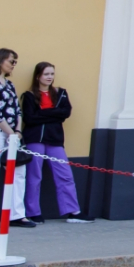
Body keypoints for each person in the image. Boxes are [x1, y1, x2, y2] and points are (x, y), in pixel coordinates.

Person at [19, 62, 90, 224]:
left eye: (52, 74)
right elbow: (30, 118)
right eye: (46, 74)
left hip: (55, 141)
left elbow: (65, 113)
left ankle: (73, 211)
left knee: (65, 175)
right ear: (38, 76)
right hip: (34, 140)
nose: (50, 77)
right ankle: (33, 212)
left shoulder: (61, 93)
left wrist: (43, 113)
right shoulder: (29, 95)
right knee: (34, 176)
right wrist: (54, 114)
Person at [0, 48, 30, 229]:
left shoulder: (9, 84)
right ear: (0, 61)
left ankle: (17, 214)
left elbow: (17, 109)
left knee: (19, 172)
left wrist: (18, 131)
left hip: (13, 133)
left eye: (15, 62)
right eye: (11, 61)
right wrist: (10, 132)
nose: (13, 65)